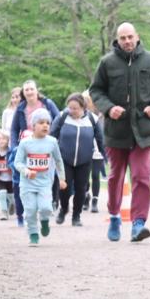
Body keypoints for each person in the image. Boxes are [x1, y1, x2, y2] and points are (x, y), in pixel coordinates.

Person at [88, 22, 150, 242]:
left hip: (143, 130)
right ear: (117, 39)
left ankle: (138, 223)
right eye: (123, 38)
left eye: (130, 37)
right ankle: (115, 216)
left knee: (141, 177)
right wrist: (108, 108)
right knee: (115, 177)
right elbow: (96, 90)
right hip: (116, 131)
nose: (127, 41)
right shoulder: (107, 62)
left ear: (137, 37)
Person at [50, 93, 105, 227]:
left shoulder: (92, 119)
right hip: (65, 159)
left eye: (75, 108)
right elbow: (52, 135)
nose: (72, 111)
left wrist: (104, 155)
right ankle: (63, 209)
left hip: (84, 160)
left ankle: (76, 216)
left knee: (81, 189)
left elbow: (100, 139)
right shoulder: (62, 116)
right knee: (65, 187)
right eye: (70, 108)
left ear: (83, 107)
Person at [13, 109, 66, 246]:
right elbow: (17, 162)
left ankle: (44, 221)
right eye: (41, 122)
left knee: (46, 207)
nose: (45, 125)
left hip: (45, 183)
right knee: (30, 210)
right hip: (27, 183)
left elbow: (58, 160)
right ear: (33, 125)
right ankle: (33, 234)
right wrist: (27, 171)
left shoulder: (52, 142)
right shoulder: (25, 143)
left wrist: (62, 178)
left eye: (48, 123)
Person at [9, 79, 61, 220]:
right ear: (23, 93)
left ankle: (51, 200)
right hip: (28, 145)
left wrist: (53, 137)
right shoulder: (21, 108)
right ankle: (27, 207)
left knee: (49, 172)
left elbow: (58, 120)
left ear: (37, 90)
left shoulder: (47, 104)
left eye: (32, 89)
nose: (29, 92)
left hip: (46, 143)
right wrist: (14, 147)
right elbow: (14, 129)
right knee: (27, 173)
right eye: (26, 90)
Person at [82, 91, 106, 213]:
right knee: (85, 176)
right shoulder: (76, 117)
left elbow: (101, 135)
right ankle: (86, 197)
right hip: (83, 151)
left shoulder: (97, 116)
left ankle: (95, 201)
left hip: (97, 150)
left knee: (96, 175)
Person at [0, 130, 15, 220]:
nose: (1, 141)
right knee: (2, 194)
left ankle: (12, 204)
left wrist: (12, 168)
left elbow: (15, 162)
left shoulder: (11, 151)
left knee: (11, 196)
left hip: (10, 178)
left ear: (8, 140)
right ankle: (4, 212)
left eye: (4, 139)